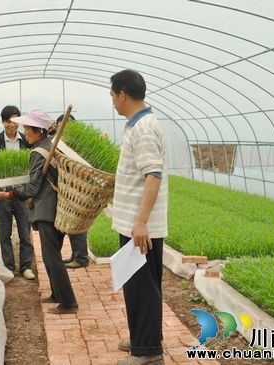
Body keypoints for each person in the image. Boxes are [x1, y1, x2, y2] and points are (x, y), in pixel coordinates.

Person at [0, 109, 78, 315]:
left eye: (27, 128)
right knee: (47, 255)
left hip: (47, 211)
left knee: (52, 257)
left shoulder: (38, 153)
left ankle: (68, 302)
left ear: (38, 131)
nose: (24, 132)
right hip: (58, 209)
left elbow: (32, 188)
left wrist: (6, 195)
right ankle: (56, 294)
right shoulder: (50, 146)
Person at [110, 70, 168, 365]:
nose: (113, 102)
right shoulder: (138, 125)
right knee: (138, 284)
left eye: (112, 95)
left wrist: (141, 221)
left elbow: (153, 175)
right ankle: (143, 338)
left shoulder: (144, 128)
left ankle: (148, 354)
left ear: (122, 94)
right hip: (135, 225)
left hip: (140, 227)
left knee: (142, 287)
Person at [0, 105, 35, 280]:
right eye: (8, 121)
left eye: (15, 121)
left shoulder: (27, 141)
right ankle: (8, 267)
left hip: (22, 193)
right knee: (4, 233)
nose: (12, 125)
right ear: (2, 122)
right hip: (1, 195)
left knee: (25, 232)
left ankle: (26, 267)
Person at [55, 113, 90, 269]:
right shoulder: (61, 143)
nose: (63, 130)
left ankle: (82, 258)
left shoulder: (79, 144)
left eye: (66, 126)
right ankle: (76, 254)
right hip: (69, 189)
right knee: (71, 222)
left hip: (79, 189)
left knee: (77, 223)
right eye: (60, 127)